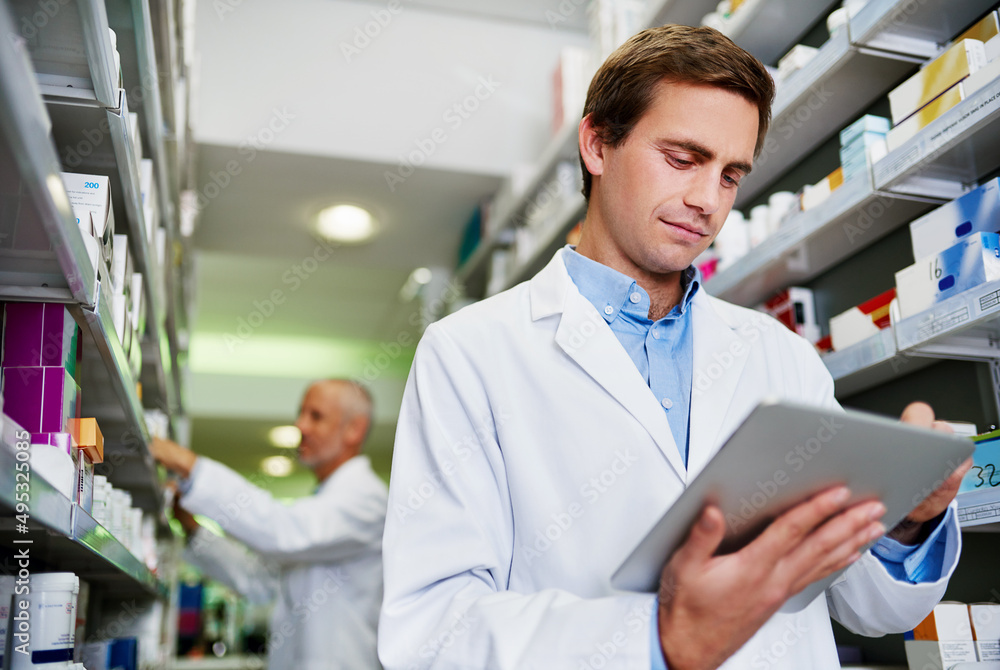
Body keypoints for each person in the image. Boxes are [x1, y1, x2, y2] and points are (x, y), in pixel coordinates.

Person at [378, 25, 973, 670]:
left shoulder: (781, 355)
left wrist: (909, 524)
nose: (706, 202)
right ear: (597, 143)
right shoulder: (470, 352)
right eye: (683, 158)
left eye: (730, 174)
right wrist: (658, 636)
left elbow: (868, 607)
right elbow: (433, 632)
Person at [153, 379, 388, 670]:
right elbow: (258, 580)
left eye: (316, 416)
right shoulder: (326, 505)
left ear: (354, 429)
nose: (300, 426)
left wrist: (192, 467)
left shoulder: (367, 500)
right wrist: (192, 528)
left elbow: (284, 530)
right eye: (300, 414)